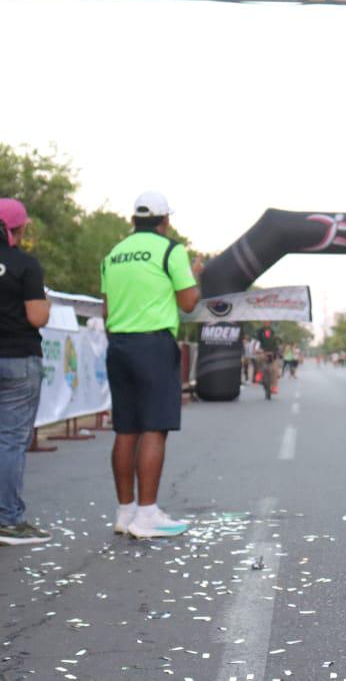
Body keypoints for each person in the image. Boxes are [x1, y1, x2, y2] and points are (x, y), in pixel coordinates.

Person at [101, 191, 202, 538]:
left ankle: (125, 511)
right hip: (153, 344)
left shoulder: (112, 255)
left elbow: (106, 309)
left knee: (125, 429)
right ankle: (147, 515)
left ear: (133, 220)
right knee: (154, 427)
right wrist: (193, 275)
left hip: (119, 344)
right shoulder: (171, 250)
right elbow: (189, 302)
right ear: (165, 221)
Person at [0, 199, 53, 546]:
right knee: (11, 441)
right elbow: (37, 317)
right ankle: (9, 519)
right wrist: (43, 300)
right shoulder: (24, 265)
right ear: (16, 230)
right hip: (17, 358)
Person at [256, 322, 281, 395]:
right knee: (258, 358)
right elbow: (257, 343)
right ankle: (259, 373)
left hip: (273, 354)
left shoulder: (274, 334)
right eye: (265, 322)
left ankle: (274, 387)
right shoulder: (260, 332)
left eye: (268, 322)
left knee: (275, 370)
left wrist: (276, 352)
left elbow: (277, 346)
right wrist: (259, 351)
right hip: (263, 352)